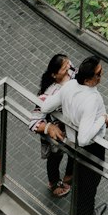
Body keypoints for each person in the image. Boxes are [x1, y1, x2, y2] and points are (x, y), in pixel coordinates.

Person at [41, 54, 108, 215]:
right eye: (98, 74)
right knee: (92, 180)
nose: (101, 77)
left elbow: (45, 107)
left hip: (72, 143)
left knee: (81, 177)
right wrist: (103, 119)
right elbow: (85, 138)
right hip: (91, 147)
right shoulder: (91, 100)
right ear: (88, 80)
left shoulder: (69, 86)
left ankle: (80, 210)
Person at [31, 52, 74, 198]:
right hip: (58, 135)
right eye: (64, 68)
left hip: (72, 129)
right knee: (55, 157)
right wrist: (49, 128)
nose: (68, 68)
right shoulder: (48, 94)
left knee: (74, 152)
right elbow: (34, 121)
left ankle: (69, 175)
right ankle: (54, 182)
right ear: (55, 75)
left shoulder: (72, 71)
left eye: (68, 64)